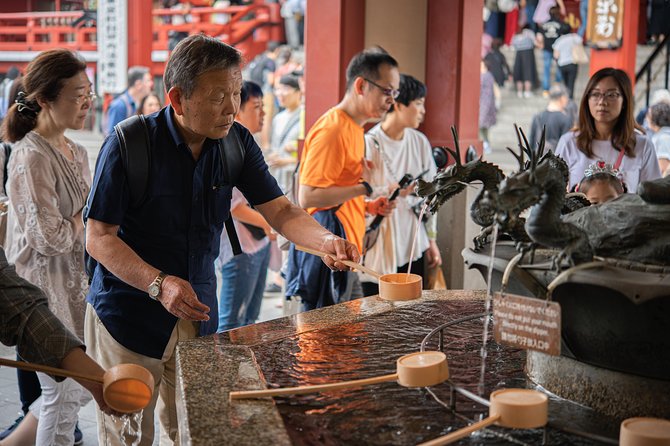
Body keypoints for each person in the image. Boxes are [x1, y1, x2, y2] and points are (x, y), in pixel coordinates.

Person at [84, 34, 359, 445]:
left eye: (236, 92)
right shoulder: (130, 143)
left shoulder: (236, 142)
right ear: (177, 98)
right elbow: (98, 237)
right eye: (218, 96)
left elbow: (281, 211)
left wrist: (324, 242)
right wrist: (159, 284)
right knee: (127, 435)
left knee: (198, 431)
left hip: (196, 312)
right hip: (127, 316)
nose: (232, 107)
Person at [1, 49, 94, 446]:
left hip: (76, 284)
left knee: (77, 389)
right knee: (62, 391)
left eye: (89, 92)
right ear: (44, 99)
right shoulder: (29, 154)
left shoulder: (78, 150)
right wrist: (82, 220)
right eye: (77, 94)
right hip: (41, 290)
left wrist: (81, 222)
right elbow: (48, 238)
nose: (88, 101)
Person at [284, 47, 398, 311]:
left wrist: (369, 205)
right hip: (329, 249)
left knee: (344, 334)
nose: (391, 100)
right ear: (361, 85)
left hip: (345, 248)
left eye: (395, 93)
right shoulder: (333, 128)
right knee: (322, 336)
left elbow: (337, 188)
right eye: (387, 91)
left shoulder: (355, 128)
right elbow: (309, 195)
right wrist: (364, 187)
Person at [0, 247, 113, 446]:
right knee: (59, 395)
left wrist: (99, 381)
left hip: (73, 292)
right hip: (49, 283)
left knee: (65, 392)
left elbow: (19, 310)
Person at [361, 74, 440, 296]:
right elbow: (359, 194)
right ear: (397, 103)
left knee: (411, 311)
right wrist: (392, 190)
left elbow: (433, 197)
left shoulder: (419, 142)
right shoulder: (370, 143)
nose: (423, 111)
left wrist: (432, 240)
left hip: (413, 242)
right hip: (379, 244)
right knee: (376, 309)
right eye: (418, 104)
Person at [217, 81, 275, 332]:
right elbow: (234, 207)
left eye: (263, 107)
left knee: (249, 320)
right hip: (239, 248)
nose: (262, 114)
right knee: (231, 323)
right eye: (257, 107)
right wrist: (270, 222)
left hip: (258, 243)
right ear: (237, 110)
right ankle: (223, 372)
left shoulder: (248, 144)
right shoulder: (227, 146)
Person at [555, 68, 662, 193]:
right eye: (595, 94)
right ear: (587, 99)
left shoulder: (642, 145)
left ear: (625, 101)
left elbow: (653, 198)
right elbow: (551, 195)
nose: (602, 102)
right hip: (580, 213)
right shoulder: (569, 142)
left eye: (611, 95)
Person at [268, 74, 302, 191]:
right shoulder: (278, 118)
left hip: (296, 179)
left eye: (286, 89)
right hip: (279, 178)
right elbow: (275, 146)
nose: (280, 93)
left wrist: (288, 161)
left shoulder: (305, 116)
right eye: (278, 89)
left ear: (299, 92)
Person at [105, 65, 154, 134]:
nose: (151, 84)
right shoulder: (119, 106)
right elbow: (113, 137)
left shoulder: (140, 103)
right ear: (138, 84)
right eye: (148, 80)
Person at [536, 6, 569, 96]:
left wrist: (541, 45)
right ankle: (557, 85)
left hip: (546, 49)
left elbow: (539, 37)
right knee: (559, 68)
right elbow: (568, 30)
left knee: (546, 69)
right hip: (558, 50)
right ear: (558, 13)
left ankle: (546, 90)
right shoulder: (561, 23)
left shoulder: (544, 24)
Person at [529, 83, 572, 151]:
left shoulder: (537, 116)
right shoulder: (566, 119)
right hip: (556, 160)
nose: (567, 101)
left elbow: (531, 143)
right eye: (566, 98)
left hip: (539, 160)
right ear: (562, 98)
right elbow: (566, 147)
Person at [552, 31, 582, 99]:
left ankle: (566, 97)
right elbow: (581, 40)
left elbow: (556, 55)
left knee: (565, 83)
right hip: (573, 63)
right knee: (571, 82)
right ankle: (570, 98)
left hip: (562, 64)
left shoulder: (559, 40)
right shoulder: (574, 38)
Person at [511, 25, 538, 98]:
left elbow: (512, 46)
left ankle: (519, 92)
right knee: (528, 72)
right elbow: (535, 42)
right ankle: (527, 92)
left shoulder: (516, 35)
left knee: (519, 72)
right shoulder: (529, 32)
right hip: (528, 53)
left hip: (518, 53)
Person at [648, 102, 670, 176]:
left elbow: (662, 169)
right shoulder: (663, 135)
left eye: (649, 115)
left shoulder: (663, 138)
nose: (647, 118)